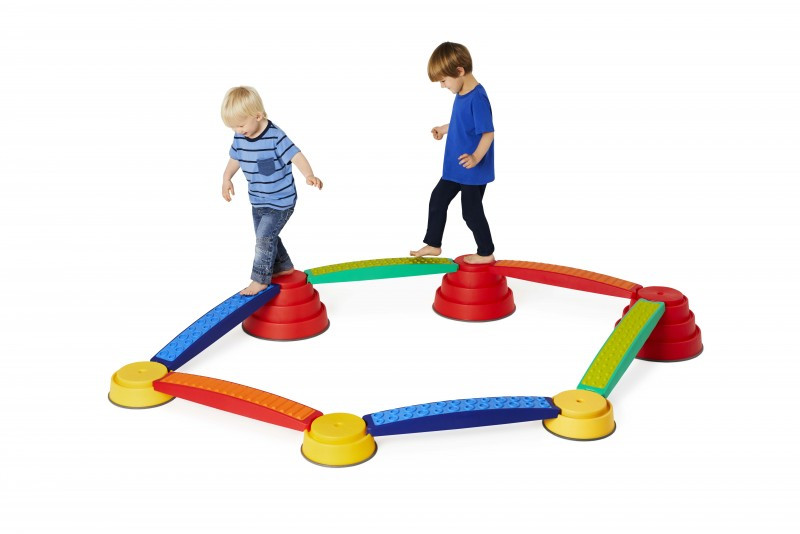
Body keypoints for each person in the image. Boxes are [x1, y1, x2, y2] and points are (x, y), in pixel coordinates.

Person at [220, 86, 323, 295]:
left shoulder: (275, 136)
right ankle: (283, 266)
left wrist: (309, 175)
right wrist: (226, 178)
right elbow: (235, 158)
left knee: (264, 238)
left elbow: (296, 155)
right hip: (258, 200)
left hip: (281, 201)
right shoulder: (240, 137)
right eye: (233, 127)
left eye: (241, 125)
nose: (238, 131)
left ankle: (259, 279)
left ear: (258, 116)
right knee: (266, 236)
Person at [410, 42, 496, 264]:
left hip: (471, 170)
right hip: (455, 168)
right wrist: (443, 129)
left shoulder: (477, 98)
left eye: (443, 81)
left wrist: (475, 157)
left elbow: (488, 133)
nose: (442, 86)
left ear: (459, 71)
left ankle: (486, 252)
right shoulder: (462, 93)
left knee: (471, 212)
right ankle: (433, 244)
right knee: (437, 200)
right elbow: (463, 124)